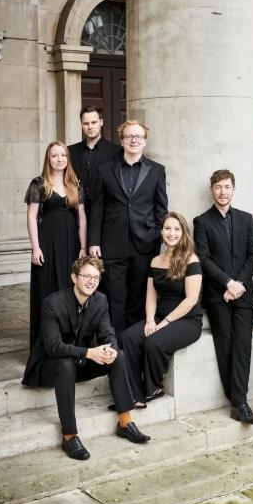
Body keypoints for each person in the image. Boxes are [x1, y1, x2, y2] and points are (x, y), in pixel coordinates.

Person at [22, 257, 150, 460]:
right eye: (87, 276)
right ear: (74, 277)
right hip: (49, 366)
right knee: (65, 365)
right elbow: (53, 347)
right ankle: (69, 435)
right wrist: (89, 353)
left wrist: (110, 349)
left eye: (96, 278)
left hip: (79, 363)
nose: (92, 281)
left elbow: (107, 333)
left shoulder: (100, 300)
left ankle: (125, 422)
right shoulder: (52, 303)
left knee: (119, 355)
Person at [193, 170, 253, 425]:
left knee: (243, 346)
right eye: (218, 187)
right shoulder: (202, 221)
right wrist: (227, 283)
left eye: (227, 187)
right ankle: (237, 400)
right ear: (212, 190)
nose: (223, 192)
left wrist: (239, 283)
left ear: (234, 189)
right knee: (226, 346)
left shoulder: (246, 218)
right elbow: (204, 258)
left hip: (243, 294)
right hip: (218, 295)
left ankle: (239, 402)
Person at [89, 119, 168, 334]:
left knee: (139, 294)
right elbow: (97, 208)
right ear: (122, 140)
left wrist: (157, 235)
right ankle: (116, 343)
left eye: (138, 136)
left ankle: (133, 341)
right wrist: (94, 241)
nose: (134, 140)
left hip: (145, 243)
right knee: (114, 295)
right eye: (129, 136)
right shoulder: (105, 170)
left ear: (145, 141)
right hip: (112, 243)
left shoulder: (157, 170)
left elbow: (161, 209)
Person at [120, 212, 203, 406]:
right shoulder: (155, 261)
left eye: (176, 229)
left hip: (187, 320)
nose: (171, 233)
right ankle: (133, 393)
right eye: (167, 228)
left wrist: (164, 323)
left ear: (183, 232)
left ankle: (153, 388)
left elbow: (191, 300)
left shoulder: (191, 260)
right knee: (127, 338)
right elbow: (151, 295)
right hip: (159, 317)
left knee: (153, 342)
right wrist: (150, 320)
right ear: (162, 232)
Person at [25, 141, 87, 348]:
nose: (59, 159)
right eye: (54, 156)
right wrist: (35, 247)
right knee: (47, 289)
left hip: (71, 243)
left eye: (63, 155)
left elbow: (82, 218)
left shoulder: (74, 184)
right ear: (48, 159)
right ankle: (44, 344)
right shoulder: (39, 184)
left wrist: (83, 247)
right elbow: (31, 217)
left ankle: (67, 342)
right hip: (47, 244)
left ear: (68, 159)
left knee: (69, 288)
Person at [68, 106, 121, 222]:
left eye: (94, 122)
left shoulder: (116, 151)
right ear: (81, 125)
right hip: (75, 214)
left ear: (101, 122)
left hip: (105, 215)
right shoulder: (70, 151)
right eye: (86, 123)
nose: (90, 127)